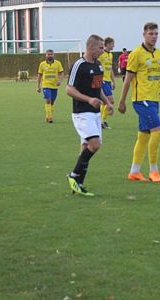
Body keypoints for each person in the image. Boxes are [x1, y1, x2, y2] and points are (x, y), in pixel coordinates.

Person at [117, 22, 160, 183]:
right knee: (157, 131)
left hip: (154, 99)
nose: (154, 36)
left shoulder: (159, 54)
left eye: (156, 33)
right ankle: (154, 171)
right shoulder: (136, 54)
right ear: (144, 34)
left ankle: (134, 172)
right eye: (151, 33)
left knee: (143, 136)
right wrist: (122, 101)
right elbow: (127, 80)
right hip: (141, 100)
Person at [66, 35, 114, 196]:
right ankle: (73, 175)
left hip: (95, 113)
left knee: (86, 147)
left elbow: (97, 88)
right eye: (100, 47)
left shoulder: (98, 65)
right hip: (82, 113)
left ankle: (78, 184)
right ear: (91, 47)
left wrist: (107, 103)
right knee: (95, 144)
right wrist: (89, 99)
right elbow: (69, 90)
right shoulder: (79, 65)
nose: (103, 50)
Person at [37, 49, 64, 123]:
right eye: (48, 54)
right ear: (46, 55)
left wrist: (59, 81)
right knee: (48, 100)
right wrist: (38, 86)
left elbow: (61, 73)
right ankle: (50, 117)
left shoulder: (58, 63)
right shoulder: (42, 64)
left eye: (51, 54)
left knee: (52, 102)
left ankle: (47, 115)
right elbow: (39, 75)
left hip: (54, 86)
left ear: (53, 55)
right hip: (46, 85)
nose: (50, 56)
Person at [98, 37, 117, 129]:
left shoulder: (110, 55)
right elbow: (96, 65)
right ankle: (102, 121)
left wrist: (113, 81)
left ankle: (101, 121)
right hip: (102, 80)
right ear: (108, 44)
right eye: (113, 44)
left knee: (103, 102)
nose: (114, 45)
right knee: (110, 100)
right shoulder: (101, 54)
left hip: (108, 81)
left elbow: (110, 69)